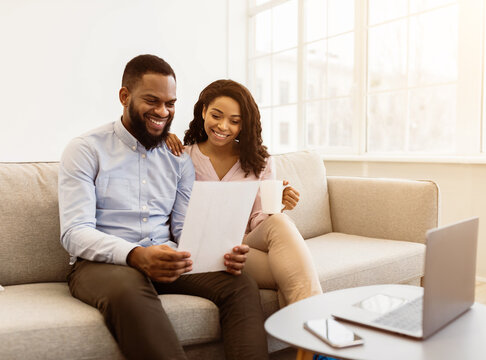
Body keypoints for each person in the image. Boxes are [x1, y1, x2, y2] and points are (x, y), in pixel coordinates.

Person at [58, 55, 268, 360]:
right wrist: (136, 255)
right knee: (128, 289)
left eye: (170, 103)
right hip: (104, 265)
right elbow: (75, 232)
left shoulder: (178, 158)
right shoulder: (86, 149)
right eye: (152, 100)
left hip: (167, 255)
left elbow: (182, 227)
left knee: (240, 283)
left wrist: (219, 251)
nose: (162, 111)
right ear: (124, 96)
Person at [166, 79, 322, 307]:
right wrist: (162, 138)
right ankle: (313, 332)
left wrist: (277, 204)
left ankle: (308, 335)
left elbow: (260, 221)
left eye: (234, 121)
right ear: (203, 111)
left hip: (247, 243)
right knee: (291, 272)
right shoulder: (182, 157)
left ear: (243, 125)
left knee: (279, 221)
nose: (223, 126)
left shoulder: (259, 161)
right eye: (216, 116)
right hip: (207, 250)